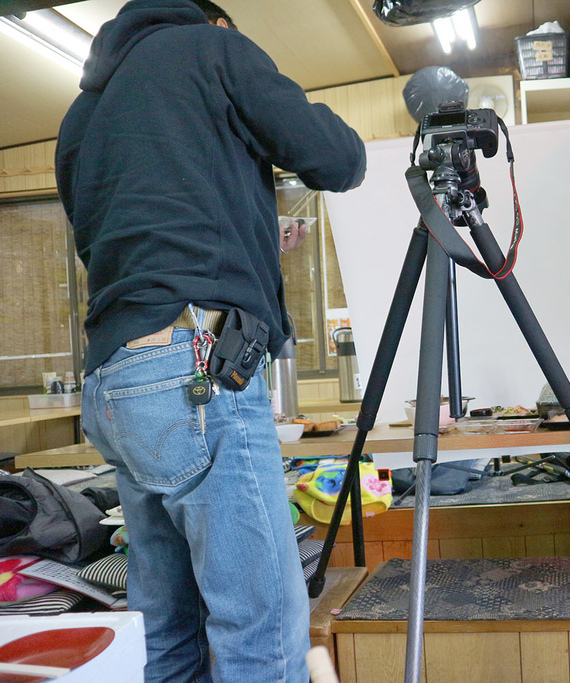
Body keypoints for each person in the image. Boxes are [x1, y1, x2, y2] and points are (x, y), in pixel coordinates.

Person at [55, 1, 366, 681]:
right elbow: (336, 159)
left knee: (167, 631)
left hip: (116, 380)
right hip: (196, 372)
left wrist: (250, 234)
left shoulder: (84, 112)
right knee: (263, 630)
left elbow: (111, 239)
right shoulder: (213, 49)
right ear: (216, 23)